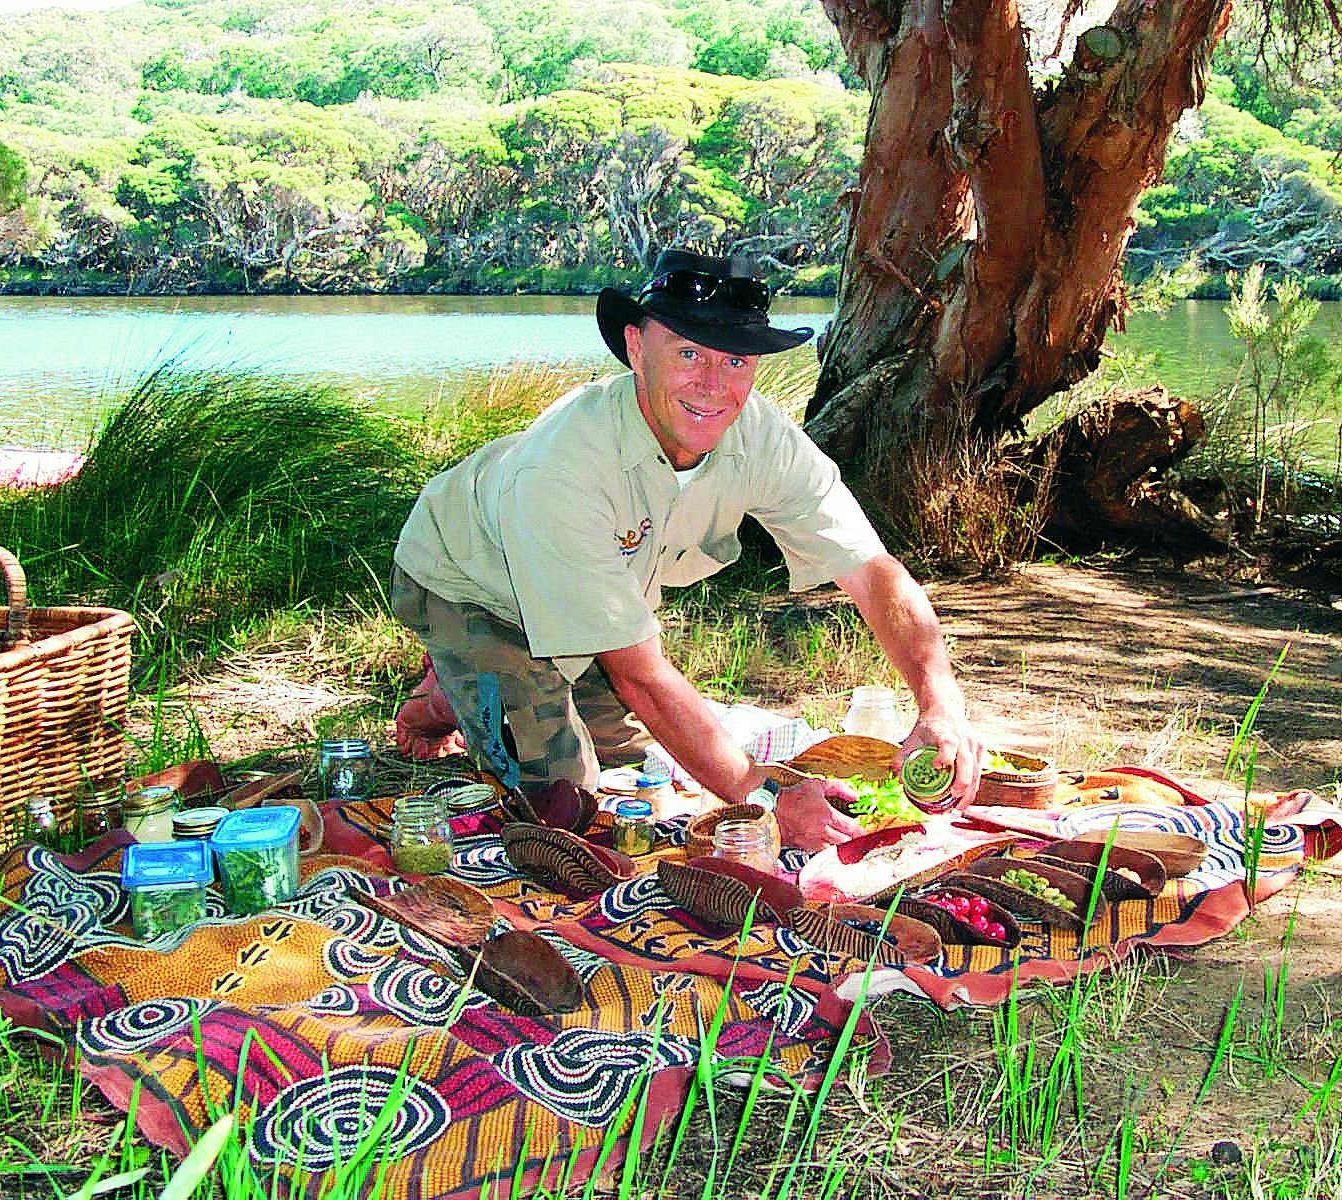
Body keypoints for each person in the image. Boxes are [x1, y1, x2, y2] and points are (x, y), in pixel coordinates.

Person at [391, 248, 983, 851]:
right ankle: (450, 690)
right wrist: (765, 799)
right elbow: (641, 677)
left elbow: (874, 571)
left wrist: (941, 703)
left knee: (638, 761)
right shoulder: (561, 468)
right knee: (561, 809)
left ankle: (467, 690)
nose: (713, 386)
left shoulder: (761, 434)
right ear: (636, 348)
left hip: (588, 601)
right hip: (469, 584)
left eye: (734, 361)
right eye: (689, 353)